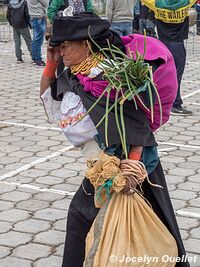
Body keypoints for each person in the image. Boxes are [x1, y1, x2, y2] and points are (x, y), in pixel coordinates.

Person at [40, 12, 190, 267]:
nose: (60, 50)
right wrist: (51, 64)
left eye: (65, 45)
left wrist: (130, 170)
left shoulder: (110, 78)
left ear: (85, 45)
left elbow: (138, 125)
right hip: (102, 166)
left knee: (92, 220)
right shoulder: (78, 72)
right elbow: (49, 100)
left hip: (127, 166)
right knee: (142, 225)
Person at [141, 0, 197, 115]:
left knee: (159, 74)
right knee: (177, 76)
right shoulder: (186, 2)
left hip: (161, 45)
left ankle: (155, 102)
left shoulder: (156, 3)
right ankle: (175, 104)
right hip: (178, 44)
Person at [27, 0, 49, 66]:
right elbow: (46, 4)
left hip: (33, 17)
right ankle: (38, 59)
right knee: (38, 40)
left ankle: (34, 58)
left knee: (35, 39)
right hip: (39, 18)